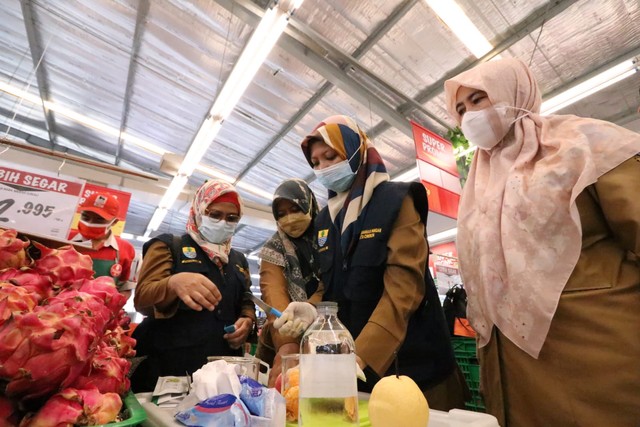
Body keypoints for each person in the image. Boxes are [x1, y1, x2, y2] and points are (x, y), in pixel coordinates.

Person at [443, 58, 640, 426]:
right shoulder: (478, 184)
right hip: (513, 372)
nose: (468, 114)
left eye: (478, 99)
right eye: (459, 108)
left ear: (513, 91)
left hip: (598, 358)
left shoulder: (583, 144)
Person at [275, 115, 466, 410]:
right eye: (316, 163)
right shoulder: (326, 219)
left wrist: (362, 353)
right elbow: (333, 284)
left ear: (356, 151)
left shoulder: (396, 200)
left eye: (330, 156)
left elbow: (404, 289)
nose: (323, 168)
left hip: (413, 367)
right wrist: (312, 308)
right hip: (357, 372)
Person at [130, 179, 256, 392]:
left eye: (231, 218)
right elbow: (142, 299)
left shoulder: (237, 260)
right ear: (198, 211)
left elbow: (246, 297)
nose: (222, 222)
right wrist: (172, 283)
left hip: (220, 371)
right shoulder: (169, 246)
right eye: (214, 215)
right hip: (169, 368)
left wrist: (247, 319)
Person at [255, 178, 324, 386]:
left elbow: (332, 281)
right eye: (281, 214)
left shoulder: (329, 237)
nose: (289, 219)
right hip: (287, 332)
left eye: (295, 209)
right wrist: (287, 340)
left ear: (309, 204)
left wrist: (311, 308)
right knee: (287, 378)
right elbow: (272, 289)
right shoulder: (273, 249)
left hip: (330, 325)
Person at [71, 193, 136, 299]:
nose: (90, 223)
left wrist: (113, 305)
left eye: (99, 220)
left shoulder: (125, 249)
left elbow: (125, 286)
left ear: (114, 222)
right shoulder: (65, 239)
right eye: (85, 217)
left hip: (98, 310)